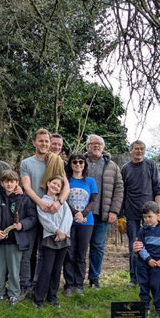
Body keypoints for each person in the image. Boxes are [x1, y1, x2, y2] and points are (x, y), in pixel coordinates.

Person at [19, 128, 69, 297]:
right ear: (34, 143)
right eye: (40, 141)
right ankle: (26, 286)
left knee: (46, 251)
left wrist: (59, 202)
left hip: (52, 214)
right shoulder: (26, 163)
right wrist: (40, 203)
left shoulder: (56, 161)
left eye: (47, 141)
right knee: (28, 252)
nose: (44, 144)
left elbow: (65, 185)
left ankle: (41, 285)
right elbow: (26, 186)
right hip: (32, 210)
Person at [0, 170, 37, 307]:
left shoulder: (24, 199)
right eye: (6, 181)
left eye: (12, 181)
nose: (9, 184)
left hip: (16, 241)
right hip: (0, 240)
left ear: (17, 183)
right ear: (2, 183)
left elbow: (32, 218)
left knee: (14, 271)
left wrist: (22, 225)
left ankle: (14, 294)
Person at [121, 140, 160, 287]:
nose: (139, 151)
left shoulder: (151, 165)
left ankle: (150, 274)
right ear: (131, 151)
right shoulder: (126, 168)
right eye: (136, 149)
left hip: (150, 213)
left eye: (142, 149)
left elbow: (158, 189)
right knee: (135, 245)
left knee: (151, 244)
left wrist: (158, 211)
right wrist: (121, 215)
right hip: (131, 212)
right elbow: (122, 192)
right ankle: (134, 278)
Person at [84, 134, 123, 289]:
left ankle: (94, 279)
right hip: (82, 214)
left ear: (103, 147)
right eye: (93, 143)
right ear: (87, 146)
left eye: (99, 143)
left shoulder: (112, 166)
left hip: (101, 213)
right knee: (79, 247)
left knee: (98, 246)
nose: (96, 146)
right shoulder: (80, 162)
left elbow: (119, 189)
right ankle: (76, 279)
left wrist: (114, 210)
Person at [35, 176, 73, 308]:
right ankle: (39, 299)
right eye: (54, 183)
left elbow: (68, 217)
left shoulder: (62, 203)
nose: (55, 186)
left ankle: (52, 297)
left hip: (63, 238)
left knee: (57, 270)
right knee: (46, 269)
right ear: (48, 183)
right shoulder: (41, 202)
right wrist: (56, 230)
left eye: (59, 186)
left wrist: (62, 232)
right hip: (50, 238)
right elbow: (44, 219)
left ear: (60, 190)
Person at [63, 153, 97, 297]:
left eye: (81, 162)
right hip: (68, 221)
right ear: (70, 164)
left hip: (86, 222)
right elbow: (63, 199)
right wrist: (75, 213)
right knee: (69, 253)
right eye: (75, 162)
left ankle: (79, 284)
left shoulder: (90, 181)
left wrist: (82, 214)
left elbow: (94, 201)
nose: (78, 164)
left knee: (81, 254)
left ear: (85, 165)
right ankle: (69, 284)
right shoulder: (66, 181)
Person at [134, 201, 160, 318]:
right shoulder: (142, 230)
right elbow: (140, 246)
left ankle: (159, 308)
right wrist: (148, 259)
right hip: (143, 263)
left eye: (150, 216)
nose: (147, 220)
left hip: (157, 264)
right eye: (145, 217)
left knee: (157, 285)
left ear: (158, 216)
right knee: (143, 285)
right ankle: (144, 306)